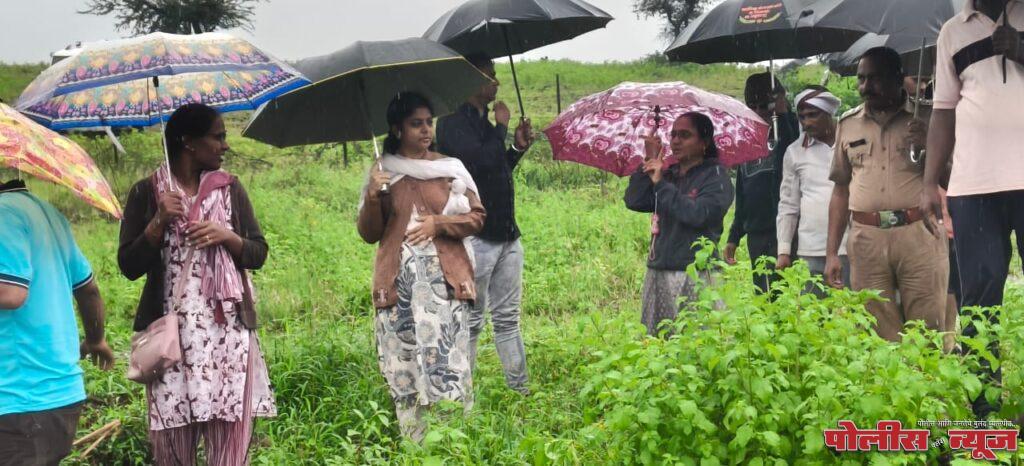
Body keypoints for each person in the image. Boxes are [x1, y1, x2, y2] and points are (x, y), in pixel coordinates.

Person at [118, 103, 276, 465]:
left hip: (227, 337)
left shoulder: (230, 189)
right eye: (217, 137)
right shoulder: (147, 193)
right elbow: (129, 265)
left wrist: (227, 236)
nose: (225, 145)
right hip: (173, 340)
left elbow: (258, 253)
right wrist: (158, 221)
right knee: (174, 445)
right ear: (188, 142)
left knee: (228, 444)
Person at [359, 91, 485, 441]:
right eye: (417, 124)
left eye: (429, 122)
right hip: (398, 291)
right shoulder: (383, 173)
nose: (426, 129)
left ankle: (452, 446)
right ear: (397, 129)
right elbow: (369, 234)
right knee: (406, 368)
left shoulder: (449, 168)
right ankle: (416, 448)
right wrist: (372, 197)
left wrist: (438, 224)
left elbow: (477, 217)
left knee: (448, 366)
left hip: (445, 288)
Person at [922, 0, 1024, 420]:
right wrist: (929, 182)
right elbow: (943, 112)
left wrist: (1019, 48)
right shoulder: (952, 31)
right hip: (973, 187)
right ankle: (985, 413)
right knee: (979, 298)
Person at [825, 47, 950, 344]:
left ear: (897, 77)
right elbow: (840, 190)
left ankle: (928, 376)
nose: (865, 87)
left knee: (927, 327)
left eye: (875, 78)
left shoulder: (928, 118)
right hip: (866, 239)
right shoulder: (848, 124)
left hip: (919, 233)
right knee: (876, 329)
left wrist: (929, 144)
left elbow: (953, 179)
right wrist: (831, 253)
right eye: (861, 79)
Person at [435, 53, 534, 395]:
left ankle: (519, 390)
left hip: (506, 233)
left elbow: (498, 169)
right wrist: (503, 127)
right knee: (472, 319)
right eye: (490, 75)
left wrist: (516, 148)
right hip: (475, 237)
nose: (497, 82)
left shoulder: (483, 124)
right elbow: (478, 164)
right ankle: (462, 394)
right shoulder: (451, 124)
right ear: (472, 79)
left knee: (508, 318)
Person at [0, 178, 114, 466]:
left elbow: (10, 293)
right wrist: (96, 339)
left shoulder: (2, 213)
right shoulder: (49, 214)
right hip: (60, 397)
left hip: (19, 399)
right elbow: (88, 289)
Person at [624, 112, 734, 336]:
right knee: (658, 342)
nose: (675, 141)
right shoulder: (669, 175)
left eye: (685, 135)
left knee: (697, 341)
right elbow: (634, 200)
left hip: (696, 274)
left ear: (704, 142)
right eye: (673, 135)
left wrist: (660, 183)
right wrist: (648, 161)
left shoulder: (716, 177)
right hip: (660, 270)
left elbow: (698, 214)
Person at [726, 72, 800, 294]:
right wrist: (734, 236)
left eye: (764, 105)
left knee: (792, 296)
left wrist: (782, 113)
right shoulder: (747, 141)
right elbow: (743, 194)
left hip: (788, 231)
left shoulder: (793, 128)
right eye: (752, 106)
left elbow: (792, 145)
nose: (759, 112)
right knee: (764, 296)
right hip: (757, 235)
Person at [776, 86, 850, 295]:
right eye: (802, 117)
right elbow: (788, 204)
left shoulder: (850, 143)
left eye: (813, 115)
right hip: (810, 249)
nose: (806, 122)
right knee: (813, 311)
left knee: (852, 309)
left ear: (828, 112)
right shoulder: (794, 152)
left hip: (850, 247)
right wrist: (784, 250)